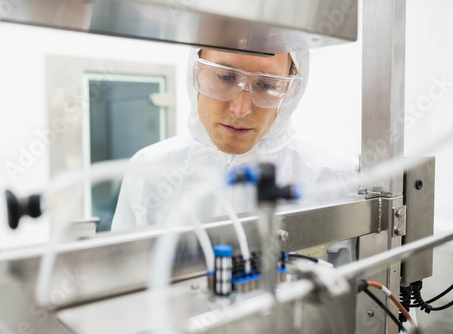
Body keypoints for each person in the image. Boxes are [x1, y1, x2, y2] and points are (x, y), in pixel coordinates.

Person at [111, 48, 358, 247]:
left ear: (292, 85)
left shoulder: (337, 177)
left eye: (267, 85)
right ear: (194, 71)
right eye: (225, 77)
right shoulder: (149, 170)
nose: (241, 109)